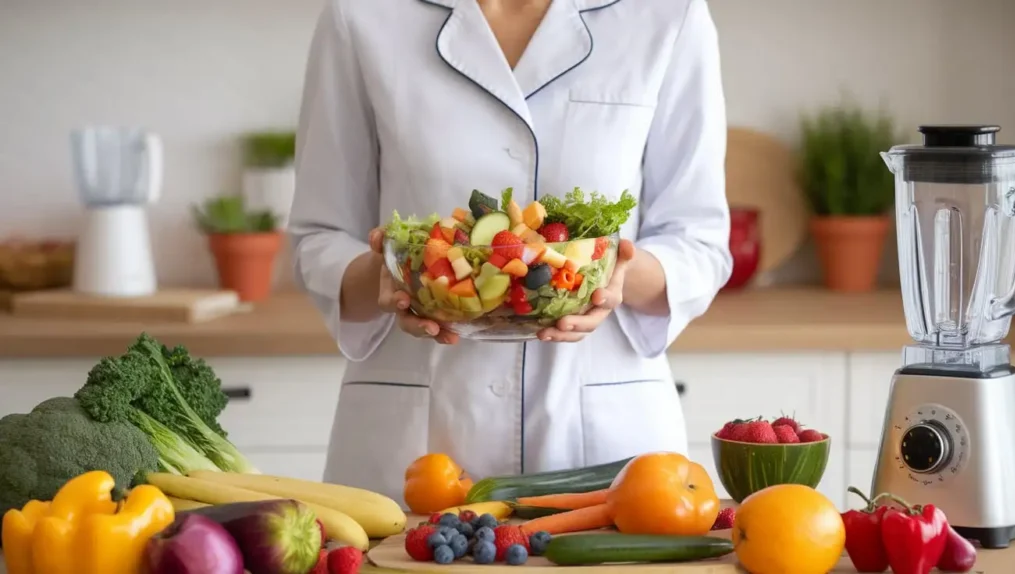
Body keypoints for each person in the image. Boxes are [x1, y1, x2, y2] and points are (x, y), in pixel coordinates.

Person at [288, 0, 732, 506]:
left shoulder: (667, 14)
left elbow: (698, 241)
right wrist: (391, 277)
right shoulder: (362, 15)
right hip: (415, 437)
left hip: (601, 436)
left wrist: (611, 277)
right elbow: (319, 236)